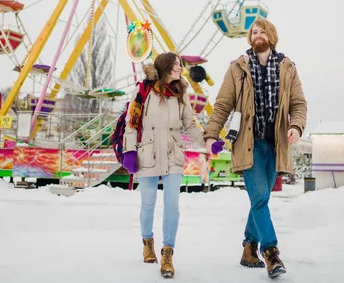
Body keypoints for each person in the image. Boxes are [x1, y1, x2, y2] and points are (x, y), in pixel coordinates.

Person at [204, 19, 307, 279]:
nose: (257, 35)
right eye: (253, 32)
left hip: (276, 144)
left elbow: (298, 103)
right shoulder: (238, 67)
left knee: (261, 198)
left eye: (262, 31)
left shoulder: (287, 67)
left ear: (271, 36)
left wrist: (296, 126)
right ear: (250, 39)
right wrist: (211, 135)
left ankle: (248, 249)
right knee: (260, 196)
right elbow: (222, 104)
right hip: (249, 144)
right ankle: (270, 252)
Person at [122, 52, 211, 278]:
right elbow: (131, 123)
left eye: (180, 65)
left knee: (172, 205)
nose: (179, 68)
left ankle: (168, 253)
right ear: (164, 68)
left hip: (173, 153)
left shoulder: (181, 94)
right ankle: (147, 242)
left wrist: (209, 142)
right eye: (175, 65)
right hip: (147, 153)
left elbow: (190, 125)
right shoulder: (144, 91)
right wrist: (129, 151)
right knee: (148, 202)